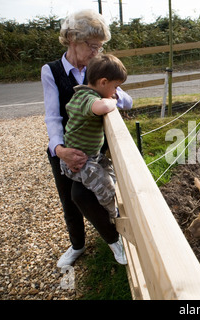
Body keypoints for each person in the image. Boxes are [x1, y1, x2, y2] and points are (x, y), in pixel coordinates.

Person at [41, 10, 132, 267]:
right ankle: (78, 245)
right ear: (72, 38)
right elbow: (53, 117)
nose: (96, 52)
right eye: (92, 46)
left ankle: (113, 238)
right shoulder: (52, 71)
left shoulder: (95, 68)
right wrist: (59, 149)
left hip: (93, 148)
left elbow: (124, 98)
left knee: (82, 194)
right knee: (68, 200)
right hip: (65, 147)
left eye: (100, 47)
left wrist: (112, 97)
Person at [60, 54, 126, 222]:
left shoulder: (84, 94)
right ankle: (114, 215)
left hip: (92, 156)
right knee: (104, 185)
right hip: (79, 162)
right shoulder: (86, 98)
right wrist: (113, 101)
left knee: (112, 173)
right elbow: (103, 106)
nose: (115, 92)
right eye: (115, 87)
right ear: (103, 82)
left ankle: (118, 202)